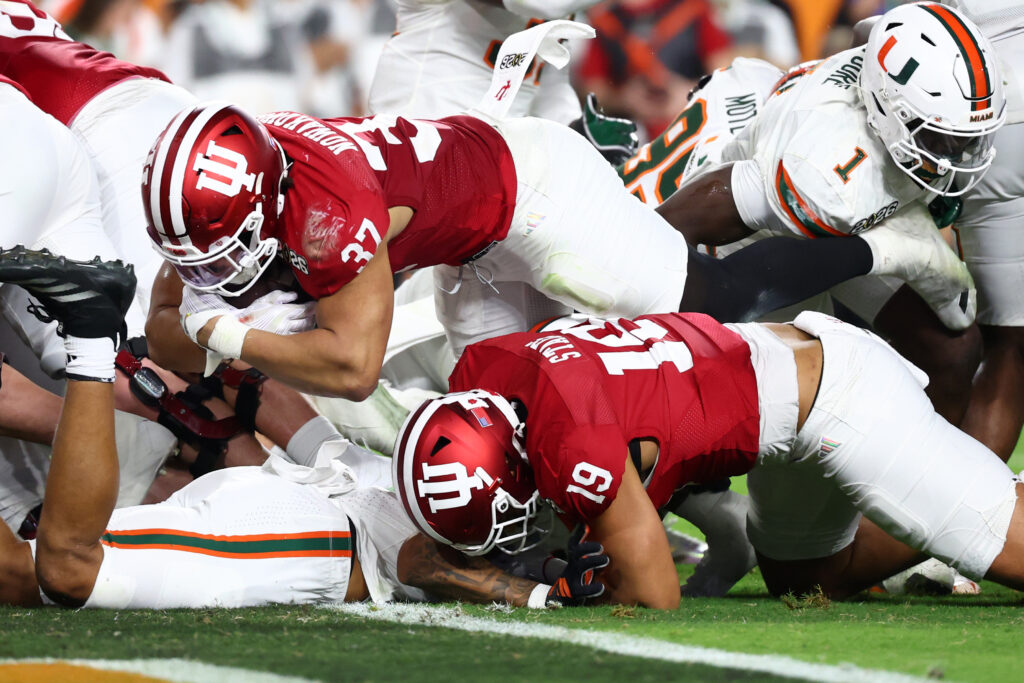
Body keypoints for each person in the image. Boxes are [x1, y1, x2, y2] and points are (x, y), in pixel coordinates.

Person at [141, 22, 972, 405]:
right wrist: (203, 315)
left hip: (535, 193)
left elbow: (353, 370)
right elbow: (169, 321)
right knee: (499, 404)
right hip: (472, 237)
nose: (214, 264)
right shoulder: (246, 180)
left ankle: (887, 247)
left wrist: (224, 333)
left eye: (222, 245)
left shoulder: (329, 213)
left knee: (709, 303)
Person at [0, 246, 607, 611]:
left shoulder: (393, 472)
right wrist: (535, 592)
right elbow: (424, 562)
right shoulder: (433, 530)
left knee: (30, 569)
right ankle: (89, 335)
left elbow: (304, 430)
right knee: (58, 570)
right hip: (311, 544)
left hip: (301, 506)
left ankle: (100, 334)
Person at [393, 308, 1024, 608]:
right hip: (779, 386)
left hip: (843, 402)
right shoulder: (483, 371)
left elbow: (655, 597)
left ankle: (995, 501)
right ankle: (961, 504)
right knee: (810, 583)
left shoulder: (571, 439)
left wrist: (513, 589)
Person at [622, 2, 1005, 423]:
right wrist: (879, 250)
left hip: (811, 185)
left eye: (965, 139)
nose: (956, 155)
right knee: (776, 401)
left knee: (953, 349)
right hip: (760, 230)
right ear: (887, 105)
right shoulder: (824, 175)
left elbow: (867, 31)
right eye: (939, 139)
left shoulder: (881, 67)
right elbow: (699, 240)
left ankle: (929, 459)